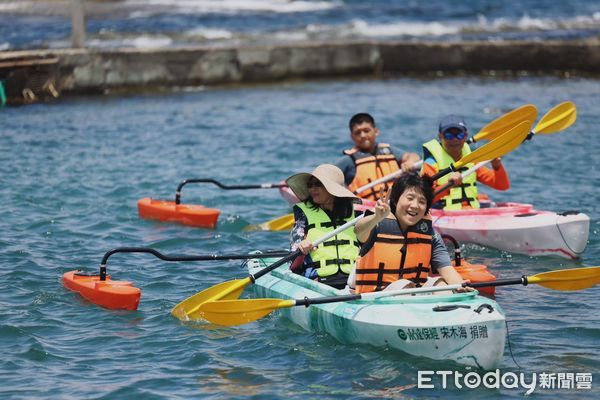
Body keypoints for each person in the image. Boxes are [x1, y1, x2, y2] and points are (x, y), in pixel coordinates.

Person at [349, 172, 472, 294]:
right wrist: (376, 217)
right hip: (374, 296)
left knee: (441, 286)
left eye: (422, 202)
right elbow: (359, 231)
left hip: (412, 294)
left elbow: (447, 269)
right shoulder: (376, 224)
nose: (415, 205)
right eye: (410, 198)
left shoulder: (431, 236)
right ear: (396, 201)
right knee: (404, 287)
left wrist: (460, 286)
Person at [286, 164, 360, 289]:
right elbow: (293, 258)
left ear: (333, 189)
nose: (313, 189)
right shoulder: (304, 213)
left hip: (352, 281)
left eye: (318, 184)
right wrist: (301, 246)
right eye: (310, 185)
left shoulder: (357, 212)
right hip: (318, 282)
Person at [422, 115, 509, 210]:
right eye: (449, 135)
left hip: (471, 213)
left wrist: (497, 167)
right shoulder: (431, 164)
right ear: (440, 136)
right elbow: (423, 199)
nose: (454, 139)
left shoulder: (471, 161)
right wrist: (447, 186)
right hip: (444, 214)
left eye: (459, 135)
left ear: (465, 136)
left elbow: (502, 186)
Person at [335, 113, 420, 202]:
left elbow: (413, 156)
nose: (363, 135)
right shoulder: (349, 160)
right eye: (357, 132)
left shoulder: (390, 151)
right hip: (367, 210)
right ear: (352, 137)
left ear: (376, 131)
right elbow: (327, 175)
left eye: (366, 130)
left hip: (395, 204)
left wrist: (410, 162)